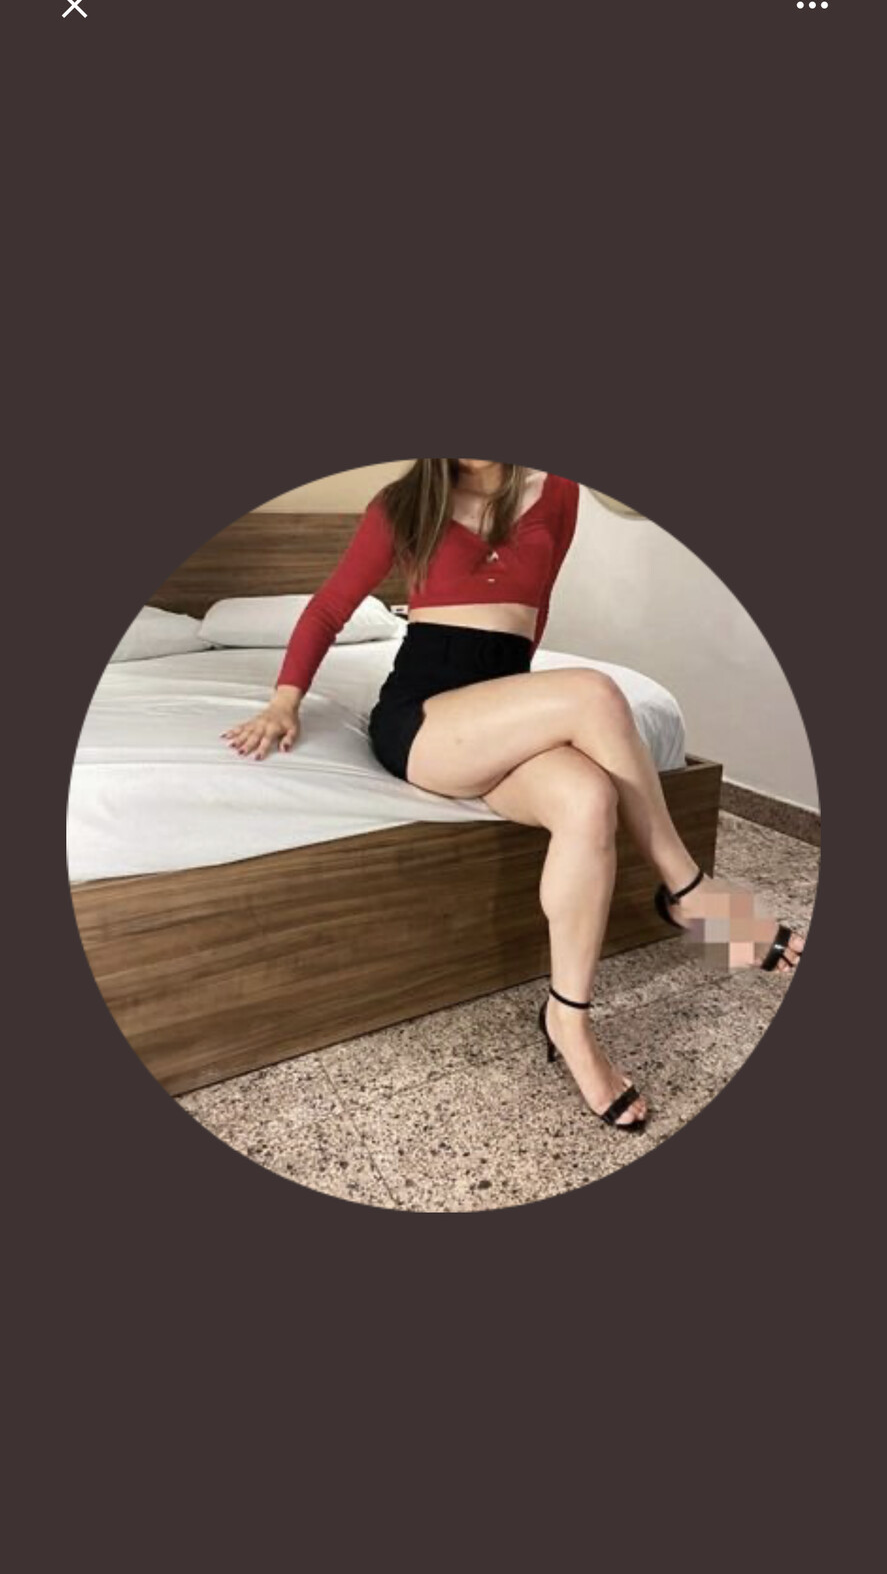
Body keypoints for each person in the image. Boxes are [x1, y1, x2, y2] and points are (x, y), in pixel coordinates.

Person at [223, 461, 805, 1131]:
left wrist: (527, 715)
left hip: (500, 712)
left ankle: (567, 1019)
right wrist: (284, 701)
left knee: (589, 798)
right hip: (424, 718)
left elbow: (537, 606)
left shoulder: (558, 492)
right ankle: (691, 892)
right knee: (593, 692)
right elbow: (329, 609)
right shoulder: (402, 503)